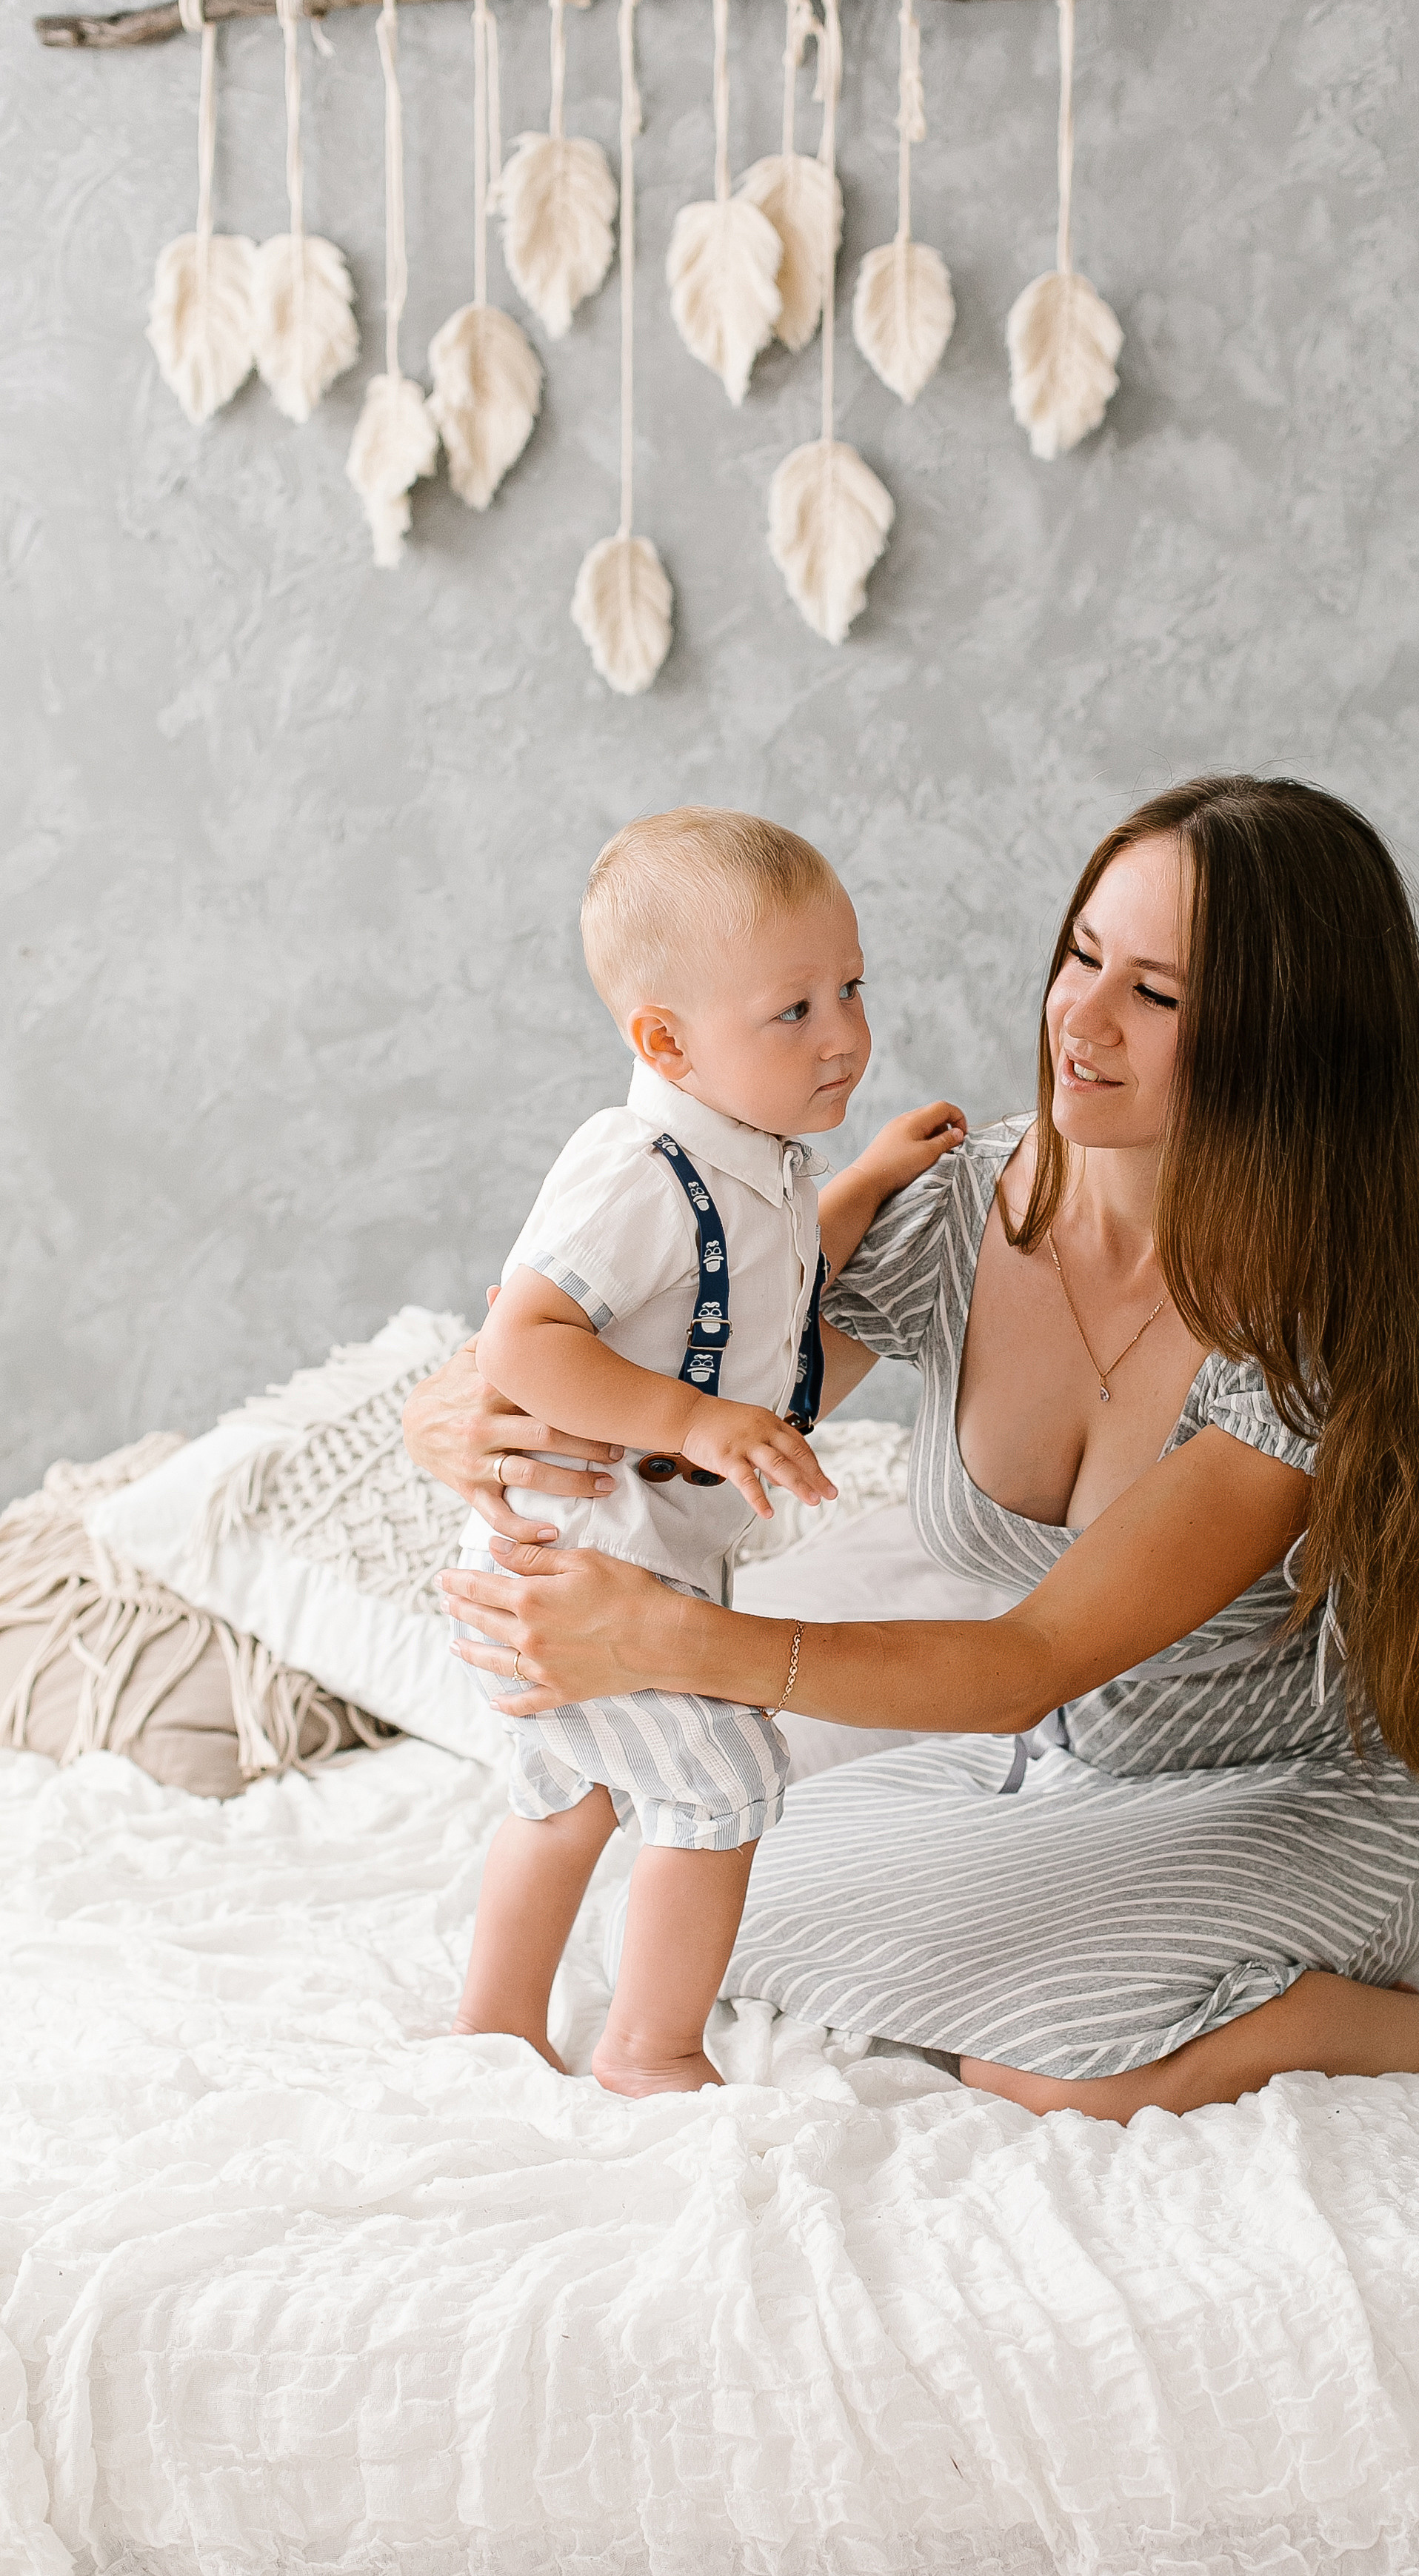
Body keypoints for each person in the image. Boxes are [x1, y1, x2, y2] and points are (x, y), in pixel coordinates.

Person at [415, 775, 1419, 2265]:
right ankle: (1085, 1907)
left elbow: (1030, 1656)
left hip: (1301, 1791)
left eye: (1154, 993)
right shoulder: (964, 1211)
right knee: (720, 1909)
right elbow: (698, 1380)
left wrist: (674, 1641)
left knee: (1059, 2066)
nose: (1078, 1020)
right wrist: (450, 1409)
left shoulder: (1306, 1339)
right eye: (1081, 955)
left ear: (1283, 1044)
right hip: (1056, 1768)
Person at [448, 806, 964, 2093]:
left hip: (640, 1556)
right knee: (721, 1784)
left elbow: (785, 1275)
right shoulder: (634, 1169)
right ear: (665, 1042)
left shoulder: (762, 1161)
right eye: (794, 1010)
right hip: (578, 1556)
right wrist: (692, 1421)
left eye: (851, 989)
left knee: (568, 1793)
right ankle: (650, 2048)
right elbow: (524, 1338)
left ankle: (494, 2026)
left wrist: (870, 1180)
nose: (843, 1034)